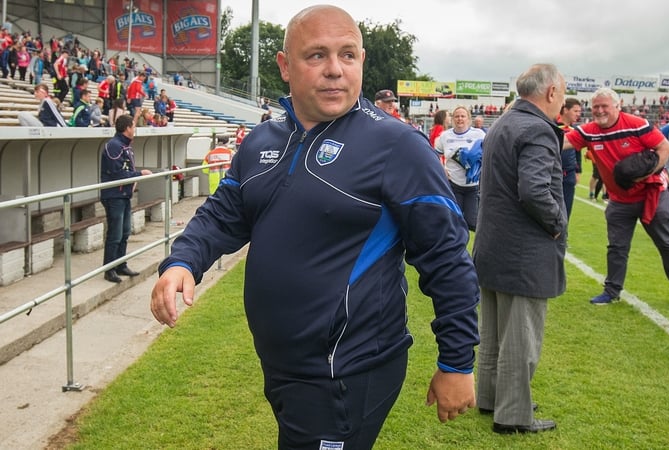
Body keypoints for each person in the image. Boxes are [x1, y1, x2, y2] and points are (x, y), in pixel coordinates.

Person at [149, 5, 479, 448]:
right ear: (285, 66)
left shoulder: (397, 146)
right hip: (283, 365)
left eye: (347, 55)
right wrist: (183, 262)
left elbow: (447, 259)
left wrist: (456, 363)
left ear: (362, 60)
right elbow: (225, 212)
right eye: (317, 55)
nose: (335, 71)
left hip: (345, 371)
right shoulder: (263, 140)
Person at [473, 63, 566, 435]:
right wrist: (557, 223)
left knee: (495, 332)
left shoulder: (504, 123)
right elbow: (534, 190)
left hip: (493, 244)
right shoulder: (537, 129)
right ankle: (512, 414)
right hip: (523, 251)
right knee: (521, 336)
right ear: (550, 93)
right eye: (562, 91)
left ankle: (492, 397)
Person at [564, 87, 669, 310]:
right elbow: (562, 142)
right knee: (617, 247)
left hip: (651, 193)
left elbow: (665, 148)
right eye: (595, 107)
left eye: (604, 106)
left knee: (666, 243)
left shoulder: (637, 124)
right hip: (619, 198)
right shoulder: (590, 131)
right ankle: (612, 290)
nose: (599, 111)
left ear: (618, 106)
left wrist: (647, 172)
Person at [100, 114, 153, 283]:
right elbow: (117, 174)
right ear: (127, 128)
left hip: (123, 195)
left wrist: (133, 180)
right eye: (133, 126)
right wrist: (139, 174)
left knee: (124, 232)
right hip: (114, 196)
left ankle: (121, 264)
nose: (135, 130)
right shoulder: (114, 146)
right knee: (115, 233)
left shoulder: (125, 146)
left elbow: (126, 170)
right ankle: (109, 269)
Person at [435, 105, 486, 231]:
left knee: (471, 222)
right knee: (453, 221)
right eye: (457, 116)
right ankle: (456, 247)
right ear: (452, 119)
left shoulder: (479, 134)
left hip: (473, 186)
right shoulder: (445, 136)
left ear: (468, 119)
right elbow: (435, 154)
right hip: (453, 185)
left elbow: (490, 153)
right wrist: (442, 169)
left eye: (463, 116)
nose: (460, 119)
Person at [557, 97, 583, 219]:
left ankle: (563, 237)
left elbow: (578, 151)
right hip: (552, 174)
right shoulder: (552, 127)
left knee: (566, 212)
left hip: (569, 175)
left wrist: (578, 170)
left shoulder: (575, 130)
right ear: (565, 110)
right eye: (575, 111)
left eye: (579, 111)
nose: (578, 114)